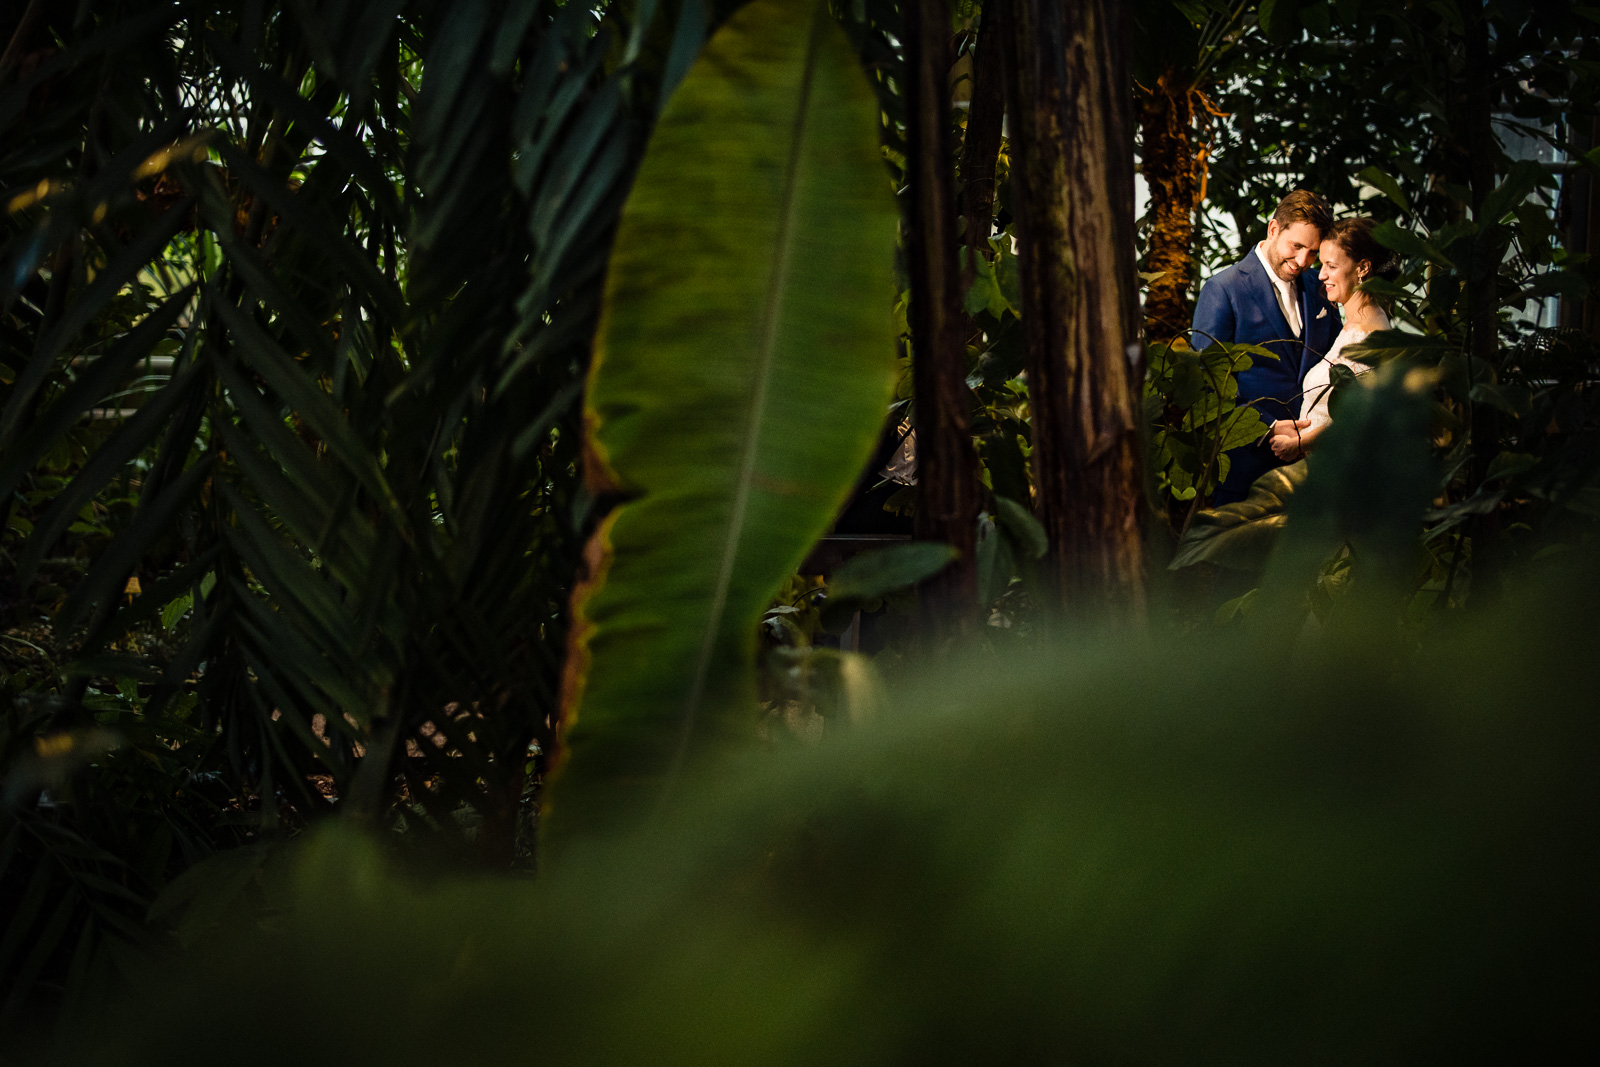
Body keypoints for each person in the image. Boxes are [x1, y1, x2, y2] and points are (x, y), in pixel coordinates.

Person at [1191, 190, 1342, 504]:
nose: (1303, 261)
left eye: (1313, 252)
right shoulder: (1223, 289)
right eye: (1296, 246)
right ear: (1274, 229)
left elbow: (1339, 362)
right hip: (1246, 469)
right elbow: (1207, 383)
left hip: (1311, 472)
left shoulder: (1320, 288)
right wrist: (1268, 427)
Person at [1268, 217, 1397, 461]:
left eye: (1332, 266)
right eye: (1322, 264)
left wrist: (1300, 442)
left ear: (1362, 268)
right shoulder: (1352, 322)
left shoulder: (1370, 335)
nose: (1321, 275)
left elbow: (1361, 416)